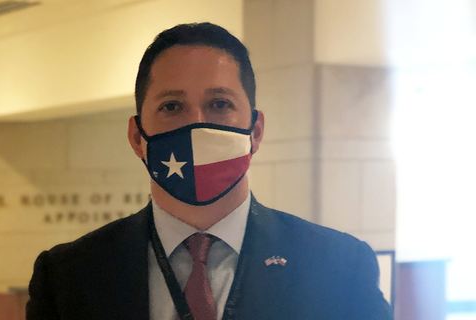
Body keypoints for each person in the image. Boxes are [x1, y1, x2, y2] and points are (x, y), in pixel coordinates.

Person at [26, 22, 393, 320]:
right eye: (172, 106)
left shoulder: (339, 268)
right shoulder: (68, 277)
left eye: (220, 104)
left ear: (256, 132)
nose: (197, 126)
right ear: (137, 138)